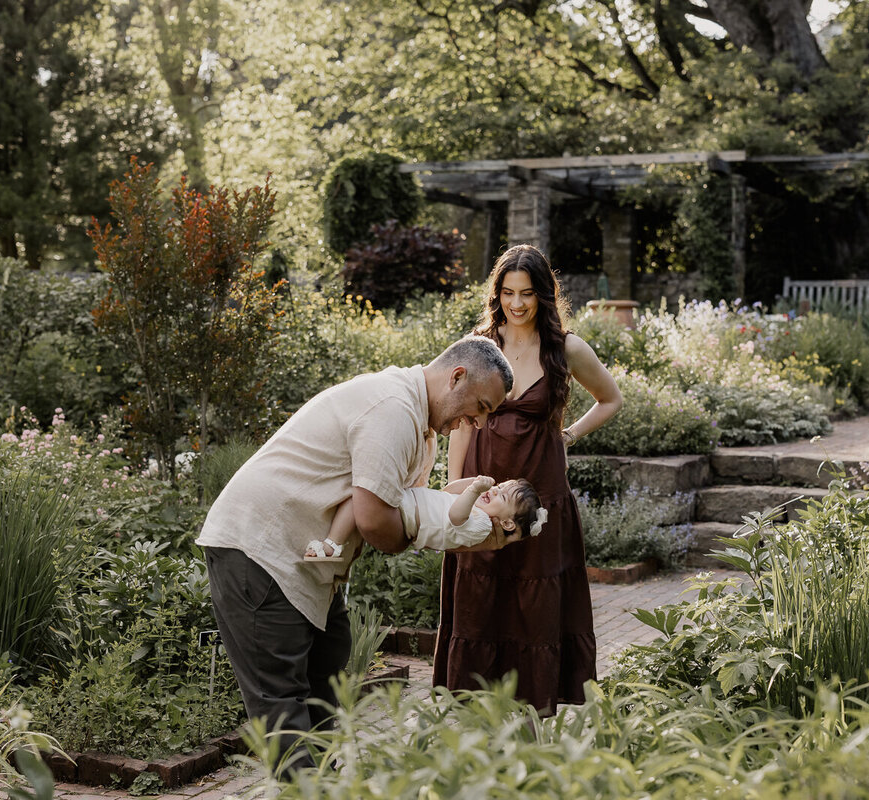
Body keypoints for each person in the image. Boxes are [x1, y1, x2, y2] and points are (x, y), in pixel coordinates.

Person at [196, 335, 513, 769]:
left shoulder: (422, 431)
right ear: (456, 377)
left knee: (329, 672)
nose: (477, 423)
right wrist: (429, 536)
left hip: (310, 564)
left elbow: (412, 510)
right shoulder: (393, 409)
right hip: (260, 549)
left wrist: (467, 524)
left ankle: (325, 785)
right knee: (282, 706)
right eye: (481, 407)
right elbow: (376, 522)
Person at [433, 244, 623, 716]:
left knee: (535, 603)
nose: (517, 303)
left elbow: (611, 399)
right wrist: (453, 489)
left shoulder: (566, 347)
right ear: (496, 293)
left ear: (544, 294)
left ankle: (532, 714)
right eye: (507, 292)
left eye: (527, 293)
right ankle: (474, 712)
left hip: (542, 496)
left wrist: (569, 435)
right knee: (480, 592)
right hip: (484, 490)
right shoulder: (479, 344)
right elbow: (457, 423)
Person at [304, 475, 547, 560]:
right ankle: (333, 539)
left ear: (506, 523)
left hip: (407, 515)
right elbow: (449, 491)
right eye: (500, 486)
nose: (495, 490)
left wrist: (474, 491)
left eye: (502, 496)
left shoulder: (482, 526)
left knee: (358, 497)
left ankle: (331, 544)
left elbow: (454, 517)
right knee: (355, 495)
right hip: (408, 503)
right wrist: (475, 483)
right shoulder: (475, 509)